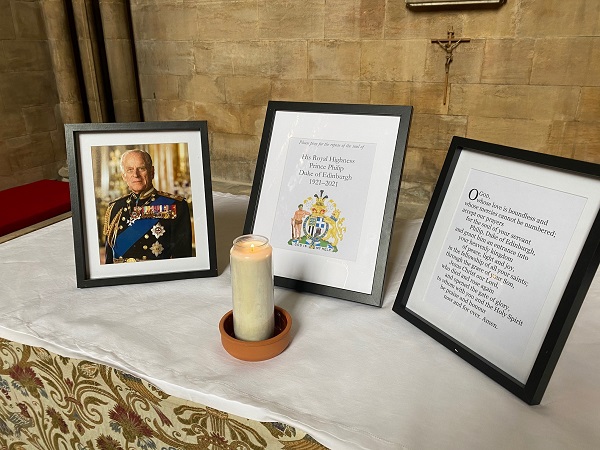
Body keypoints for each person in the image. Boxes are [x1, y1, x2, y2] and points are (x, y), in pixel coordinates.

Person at [103, 149, 193, 264]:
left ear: (152, 172)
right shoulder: (115, 208)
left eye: (141, 168)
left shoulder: (175, 205)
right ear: (124, 176)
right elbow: (109, 261)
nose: (136, 175)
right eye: (130, 170)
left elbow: (183, 260)